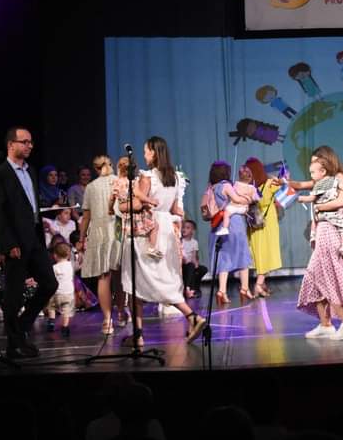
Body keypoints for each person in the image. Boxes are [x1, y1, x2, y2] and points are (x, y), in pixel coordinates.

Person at [118, 137, 207, 347]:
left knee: (137, 281)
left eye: (146, 151)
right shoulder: (174, 177)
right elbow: (175, 208)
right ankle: (141, 333)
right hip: (166, 228)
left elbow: (138, 204)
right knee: (161, 277)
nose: (144, 155)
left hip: (147, 228)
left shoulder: (147, 177)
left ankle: (188, 317)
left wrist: (122, 202)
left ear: (154, 153)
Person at [0, 127, 59, 358]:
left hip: (34, 237)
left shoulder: (30, 170)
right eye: (25, 142)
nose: (30, 146)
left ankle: (20, 328)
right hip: (15, 241)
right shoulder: (0, 172)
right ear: (11, 144)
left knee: (49, 283)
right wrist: (8, 243)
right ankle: (14, 343)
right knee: (14, 293)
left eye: (31, 142)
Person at [295, 148, 343, 339]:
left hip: (331, 231)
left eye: (317, 162)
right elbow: (301, 185)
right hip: (322, 230)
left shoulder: (337, 177)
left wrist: (319, 207)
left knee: (329, 279)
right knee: (313, 278)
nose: (313, 167)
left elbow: (342, 200)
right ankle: (325, 324)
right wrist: (284, 182)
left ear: (326, 163)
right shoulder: (321, 181)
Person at [79, 155, 125, 336]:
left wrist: (81, 238)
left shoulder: (91, 187)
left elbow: (86, 217)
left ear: (95, 169)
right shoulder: (119, 181)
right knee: (118, 275)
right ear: (111, 165)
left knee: (103, 276)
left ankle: (107, 320)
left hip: (99, 233)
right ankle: (121, 313)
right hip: (118, 230)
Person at [204, 160, 256, 305]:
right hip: (234, 224)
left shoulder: (211, 188)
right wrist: (248, 198)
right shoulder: (226, 186)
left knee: (224, 258)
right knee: (243, 255)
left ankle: (222, 291)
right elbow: (237, 199)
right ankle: (244, 288)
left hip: (218, 224)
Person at [244, 158, 283, 298]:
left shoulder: (248, 188)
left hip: (254, 225)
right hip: (267, 224)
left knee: (259, 254)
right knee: (267, 254)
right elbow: (283, 183)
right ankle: (259, 285)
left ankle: (262, 283)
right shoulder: (269, 183)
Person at [46, 242, 76, 337]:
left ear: (55, 255)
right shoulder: (71, 265)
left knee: (51, 307)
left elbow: (50, 279)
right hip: (68, 293)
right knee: (66, 311)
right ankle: (65, 327)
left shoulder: (54, 267)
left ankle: (51, 322)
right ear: (68, 255)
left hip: (56, 292)